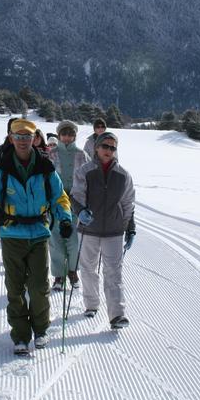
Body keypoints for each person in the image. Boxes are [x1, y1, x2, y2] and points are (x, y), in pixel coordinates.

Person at [0, 119, 73, 355]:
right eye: (18, 136)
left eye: (27, 136)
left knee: (39, 286)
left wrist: (64, 218)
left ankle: (41, 330)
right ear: (11, 138)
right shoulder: (2, 169)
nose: (23, 141)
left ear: (34, 138)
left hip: (40, 234)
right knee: (15, 287)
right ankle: (20, 335)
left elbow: (59, 197)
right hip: (12, 234)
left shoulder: (45, 167)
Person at [70, 131, 136, 329]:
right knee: (88, 269)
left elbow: (128, 203)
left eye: (112, 147)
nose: (109, 150)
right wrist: (80, 211)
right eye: (105, 146)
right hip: (88, 229)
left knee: (114, 272)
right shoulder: (84, 171)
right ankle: (91, 304)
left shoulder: (123, 174)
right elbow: (76, 196)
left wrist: (129, 228)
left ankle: (117, 315)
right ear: (97, 147)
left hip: (114, 231)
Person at [47, 120, 89, 292]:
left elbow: (88, 178)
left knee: (73, 240)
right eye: (63, 134)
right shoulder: (51, 154)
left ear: (74, 136)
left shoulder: (82, 154)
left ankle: (73, 271)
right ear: (59, 135)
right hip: (55, 202)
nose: (67, 137)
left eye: (70, 134)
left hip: (76, 202)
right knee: (55, 239)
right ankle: (58, 275)